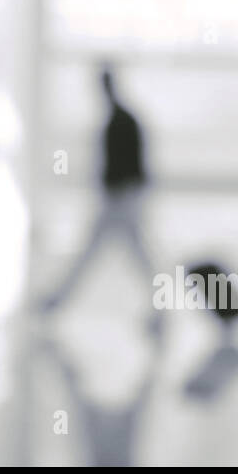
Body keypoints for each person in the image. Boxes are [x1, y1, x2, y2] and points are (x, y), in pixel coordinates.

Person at [38, 64, 149, 312]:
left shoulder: (121, 122)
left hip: (121, 198)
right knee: (127, 254)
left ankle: (57, 300)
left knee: (95, 252)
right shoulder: (121, 120)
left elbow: (129, 164)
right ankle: (57, 299)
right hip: (121, 197)